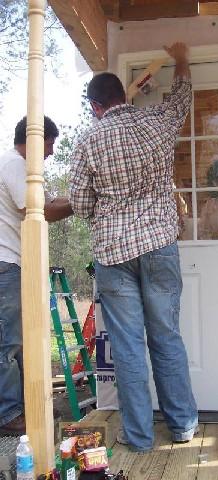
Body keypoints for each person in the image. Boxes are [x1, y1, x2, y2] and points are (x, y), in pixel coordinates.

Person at [69, 42, 198, 453]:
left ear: (94, 106)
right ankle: (182, 427)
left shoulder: (88, 141)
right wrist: (181, 60)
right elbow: (180, 99)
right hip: (160, 246)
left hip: (113, 254)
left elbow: (81, 204)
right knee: (167, 336)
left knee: (127, 347)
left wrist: (109, 210)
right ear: (125, 96)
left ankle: (139, 437)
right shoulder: (156, 122)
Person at [0, 116, 73, 436]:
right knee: (9, 343)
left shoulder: (15, 166)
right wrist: (81, 201)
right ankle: (8, 413)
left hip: (17, 265)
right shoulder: (14, 165)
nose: (52, 152)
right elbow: (40, 208)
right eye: (49, 144)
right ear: (32, 140)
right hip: (7, 265)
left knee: (25, 339)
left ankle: (28, 404)